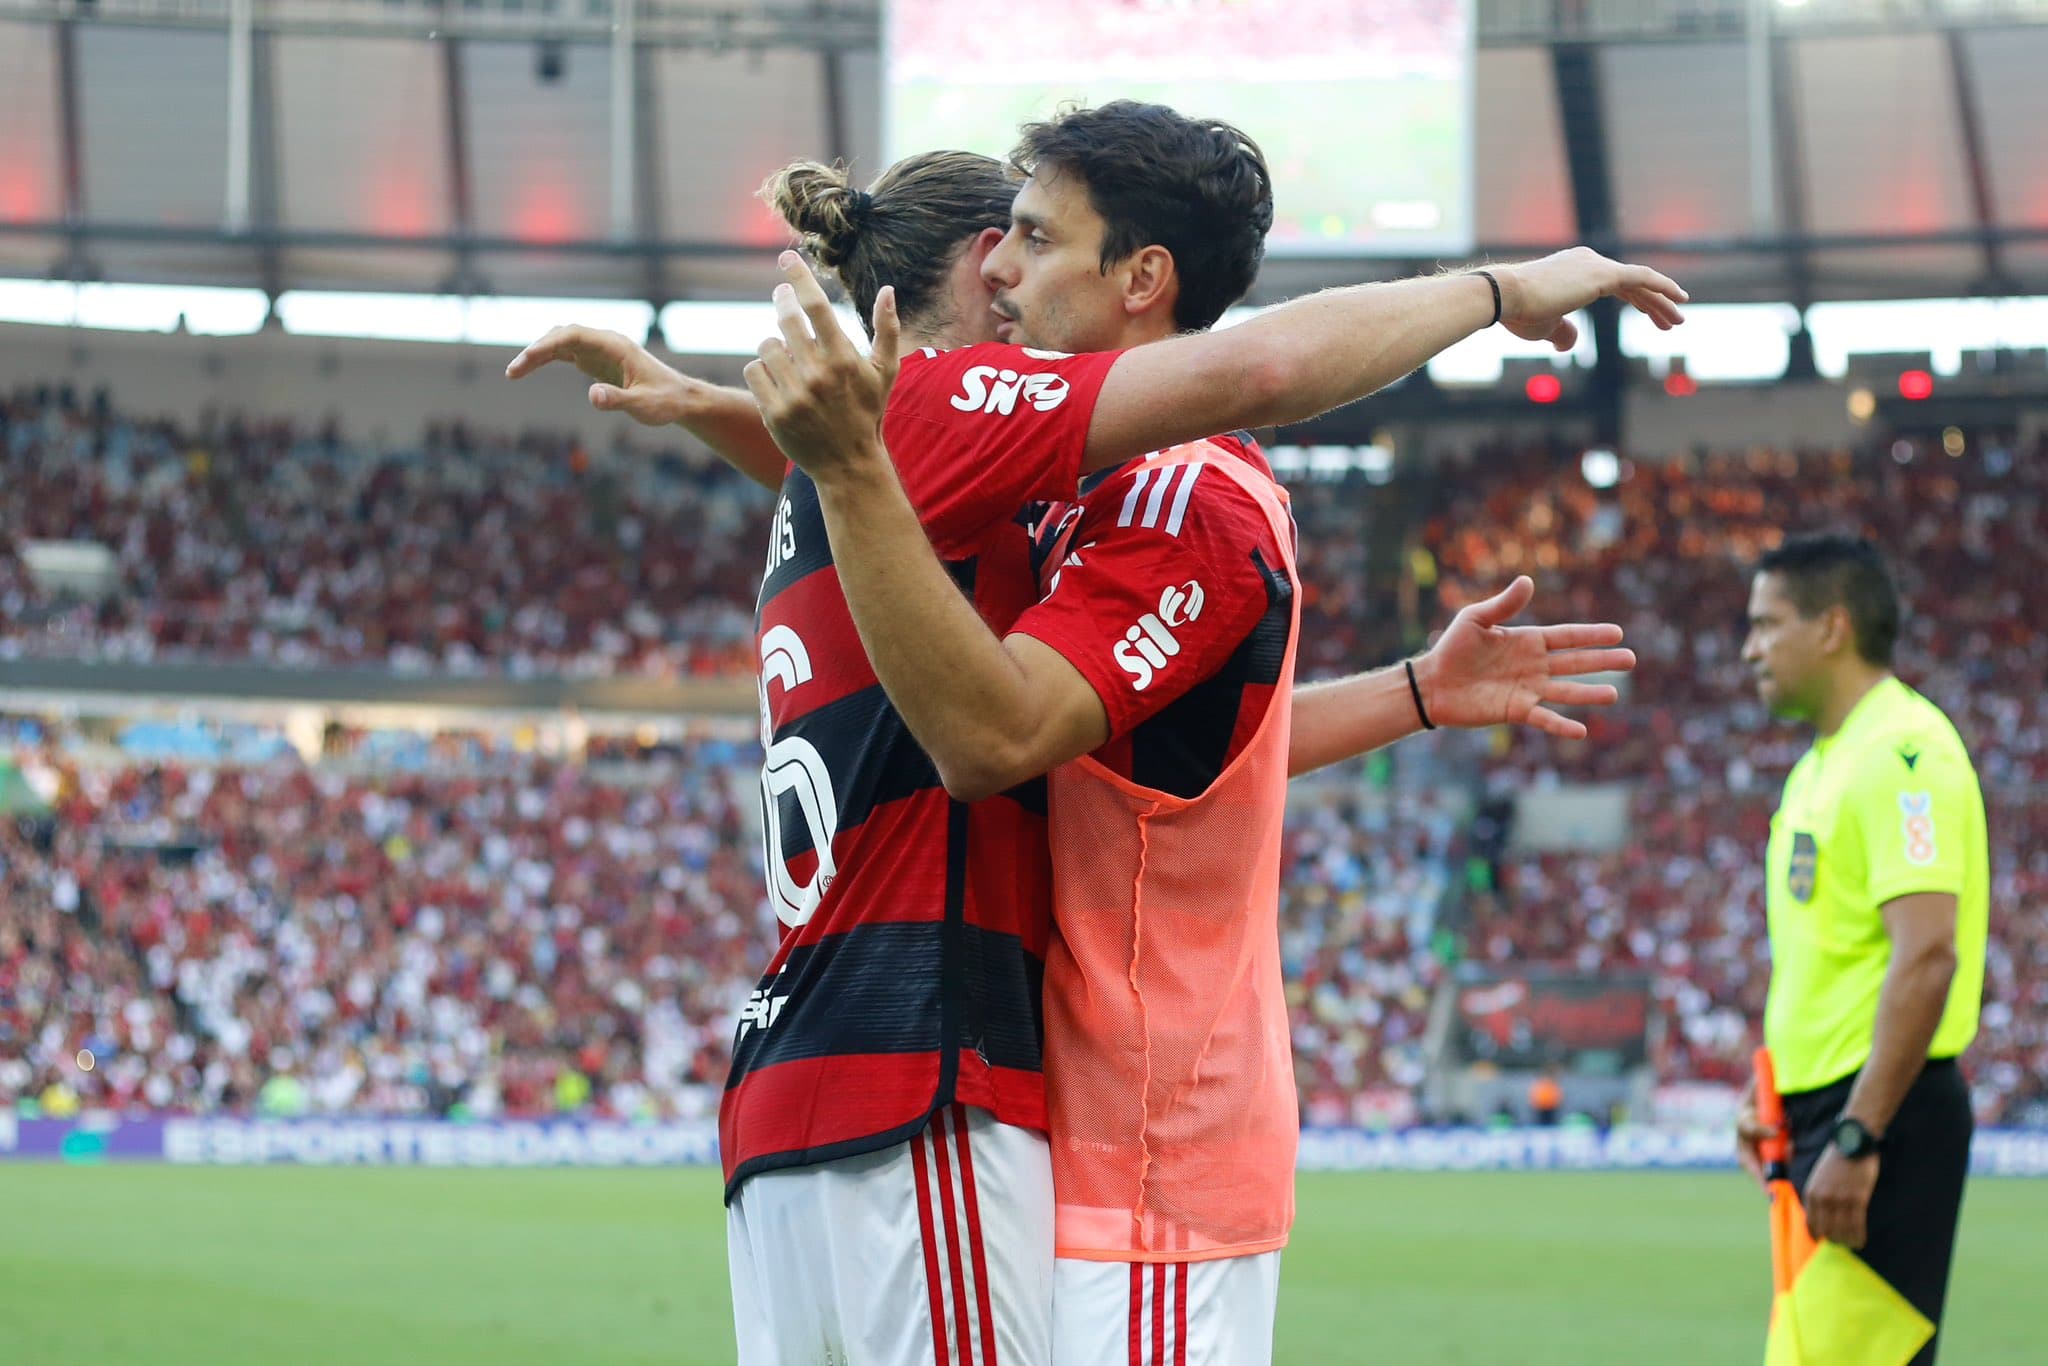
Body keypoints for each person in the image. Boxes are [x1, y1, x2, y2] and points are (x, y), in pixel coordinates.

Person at [511, 107, 1675, 1366]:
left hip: (1080, 1142)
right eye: (999, 240)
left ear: (1137, 277)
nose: (1009, 273)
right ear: (954, 277)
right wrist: (1502, 290)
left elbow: (1164, 735)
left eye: (1034, 237)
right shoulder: (947, 453)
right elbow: (1001, 714)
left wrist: (1408, 691)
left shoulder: (1128, 493)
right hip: (957, 1091)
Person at [1735, 533, 1987, 1365]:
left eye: (1768, 625)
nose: (1750, 649)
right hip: (1820, 1118)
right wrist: (1768, 1088)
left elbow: (1927, 957)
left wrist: (1857, 1137)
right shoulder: (1821, 766)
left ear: (1832, 627)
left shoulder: (1903, 754)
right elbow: (1825, 956)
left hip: (1876, 1120)